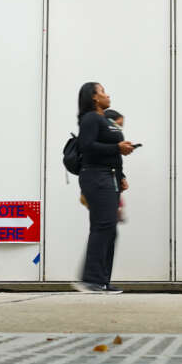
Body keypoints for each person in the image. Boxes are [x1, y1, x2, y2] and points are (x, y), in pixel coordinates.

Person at [75, 82, 134, 293]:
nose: (107, 94)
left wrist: (122, 175)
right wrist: (117, 147)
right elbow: (87, 146)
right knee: (103, 226)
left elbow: (111, 152)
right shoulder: (91, 118)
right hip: (96, 177)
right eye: (102, 92)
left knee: (110, 229)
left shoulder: (104, 119)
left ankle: (102, 280)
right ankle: (90, 279)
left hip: (110, 178)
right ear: (93, 98)